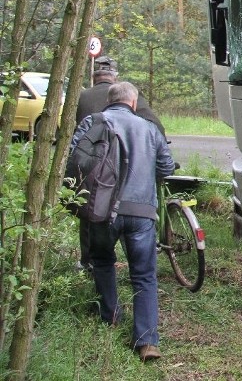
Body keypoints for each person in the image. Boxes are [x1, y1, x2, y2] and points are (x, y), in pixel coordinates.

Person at [70, 81, 175, 362]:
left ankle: (111, 316)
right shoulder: (149, 128)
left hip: (102, 211)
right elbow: (166, 167)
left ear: (109, 101)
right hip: (141, 213)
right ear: (132, 102)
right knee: (144, 275)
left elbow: (74, 158)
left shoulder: (94, 121)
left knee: (103, 262)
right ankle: (147, 342)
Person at [75, 56, 166, 271]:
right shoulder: (129, 95)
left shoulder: (81, 96)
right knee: (132, 208)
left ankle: (88, 261)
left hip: (92, 166)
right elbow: (155, 124)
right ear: (115, 77)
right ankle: (140, 257)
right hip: (126, 164)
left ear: (94, 77)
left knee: (90, 211)